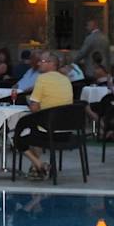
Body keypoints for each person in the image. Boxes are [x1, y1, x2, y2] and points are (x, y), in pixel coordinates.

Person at [19, 51, 74, 179]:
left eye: (42, 61)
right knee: (34, 126)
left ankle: (38, 164)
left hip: (49, 131)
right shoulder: (66, 80)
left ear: (51, 63)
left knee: (18, 134)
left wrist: (31, 103)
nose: (39, 63)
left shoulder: (42, 79)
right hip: (66, 131)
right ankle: (36, 168)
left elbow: (34, 108)